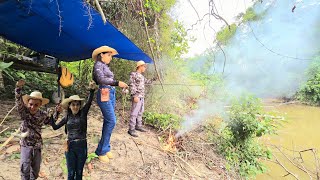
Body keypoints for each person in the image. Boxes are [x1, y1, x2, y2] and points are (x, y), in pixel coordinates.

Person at [50, 82, 95, 180]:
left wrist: (91, 90)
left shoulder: (83, 113)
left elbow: (89, 102)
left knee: (79, 173)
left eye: (77, 104)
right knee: (71, 173)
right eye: (73, 105)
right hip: (70, 146)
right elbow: (54, 127)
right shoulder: (67, 117)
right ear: (69, 106)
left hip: (82, 146)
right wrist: (53, 115)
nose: (75, 107)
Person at [92, 46, 128, 163]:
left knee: (109, 121)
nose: (110, 58)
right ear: (101, 54)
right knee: (112, 121)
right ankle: (101, 151)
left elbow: (108, 81)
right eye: (109, 55)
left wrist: (119, 86)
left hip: (110, 93)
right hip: (104, 93)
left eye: (111, 56)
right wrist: (117, 83)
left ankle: (105, 147)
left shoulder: (105, 66)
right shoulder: (98, 65)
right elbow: (101, 80)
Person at [15, 79, 57, 180]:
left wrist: (57, 112)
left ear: (40, 105)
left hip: (37, 145)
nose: (33, 107)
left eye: (36, 105)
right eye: (31, 104)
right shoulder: (24, 112)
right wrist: (18, 89)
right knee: (25, 168)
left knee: (36, 170)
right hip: (25, 144)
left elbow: (51, 121)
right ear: (28, 103)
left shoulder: (42, 115)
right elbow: (18, 104)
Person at [128, 60, 154, 137]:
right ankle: (131, 129)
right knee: (134, 113)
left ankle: (138, 126)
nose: (145, 68)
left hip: (142, 97)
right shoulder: (134, 74)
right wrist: (134, 95)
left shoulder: (142, 76)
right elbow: (132, 84)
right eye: (144, 66)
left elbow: (147, 82)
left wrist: (154, 79)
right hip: (137, 96)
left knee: (140, 112)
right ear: (140, 66)